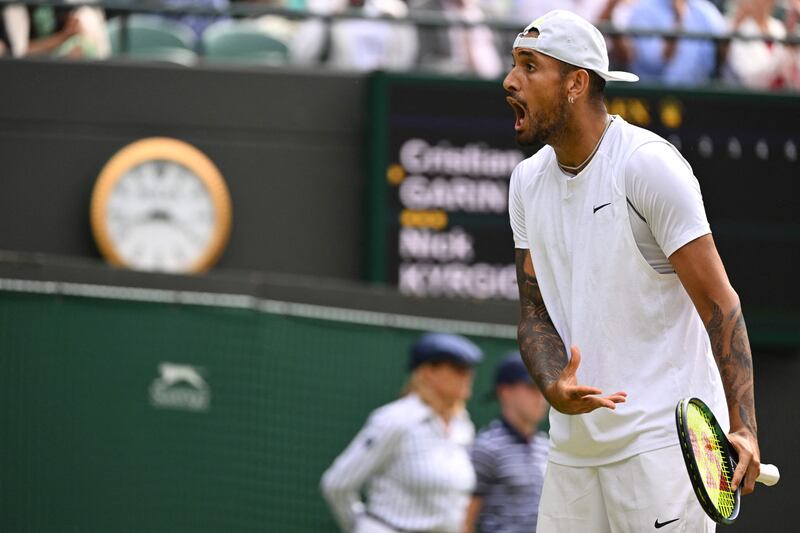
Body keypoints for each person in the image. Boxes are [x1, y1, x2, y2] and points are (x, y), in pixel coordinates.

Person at [503, 9, 761, 532]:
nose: (510, 81)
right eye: (513, 65)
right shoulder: (526, 182)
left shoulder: (648, 165)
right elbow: (534, 312)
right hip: (572, 455)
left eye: (529, 67)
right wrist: (553, 384)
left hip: (665, 449)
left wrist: (745, 428)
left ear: (576, 83)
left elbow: (719, 304)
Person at [320, 332, 482, 533]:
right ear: (427, 372)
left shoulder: (463, 425)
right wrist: (364, 527)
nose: (468, 376)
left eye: (469, 370)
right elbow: (337, 484)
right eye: (458, 369)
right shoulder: (395, 419)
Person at [465, 353, 549, 533]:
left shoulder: (547, 446)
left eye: (544, 388)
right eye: (532, 387)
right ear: (505, 392)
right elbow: (466, 521)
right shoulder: (485, 448)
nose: (541, 397)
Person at [625, 0, 727, 85]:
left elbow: (723, 51)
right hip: (655, 96)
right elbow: (654, 62)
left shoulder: (705, 10)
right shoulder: (642, 9)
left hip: (699, 94)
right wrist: (678, 20)